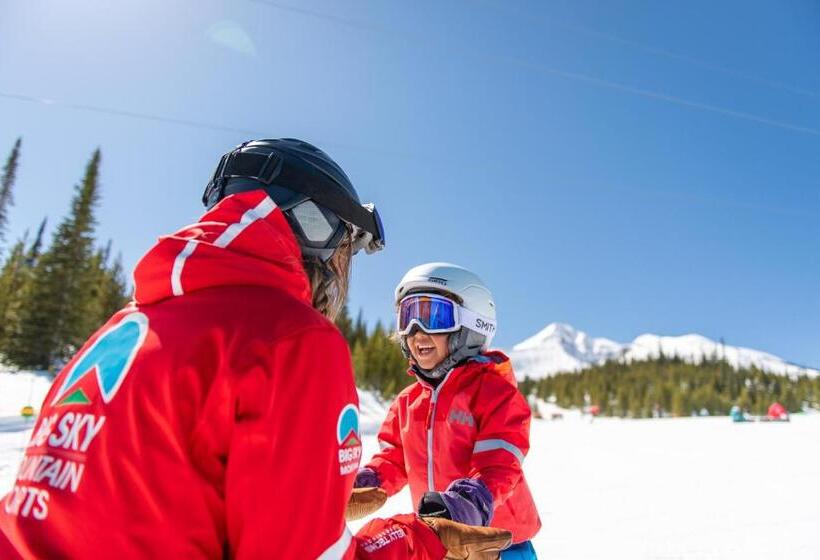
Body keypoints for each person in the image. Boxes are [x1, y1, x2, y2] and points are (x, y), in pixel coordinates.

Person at [0, 140, 508, 559]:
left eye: (433, 317)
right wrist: (420, 538)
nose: (416, 332)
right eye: (346, 251)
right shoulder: (291, 341)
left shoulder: (121, 328)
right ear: (316, 229)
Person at [354, 263, 541, 558]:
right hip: (441, 543)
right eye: (407, 317)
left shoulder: (494, 393)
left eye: (434, 317)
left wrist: (469, 502)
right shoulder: (407, 402)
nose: (417, 331)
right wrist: (369, 480)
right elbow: (393, 459)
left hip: (499, 544)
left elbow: (500, 464)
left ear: (473, 325)